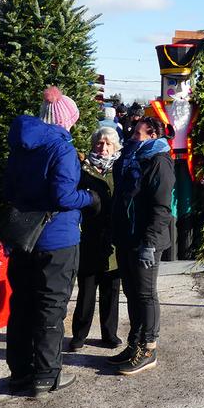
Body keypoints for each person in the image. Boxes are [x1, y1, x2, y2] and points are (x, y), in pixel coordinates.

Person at [4, 86, 99, 396]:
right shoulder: (61, 149)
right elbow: (63, 196)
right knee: (50, 308)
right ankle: (47, 375)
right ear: (67, 120)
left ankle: (20, 371)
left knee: (21, 305)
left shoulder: (19, 145)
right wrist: (90, 197)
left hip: (24, 238)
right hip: (56, 239)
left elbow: (9, 188)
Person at [108, 116, 174, 375]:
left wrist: (150, 242)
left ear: (153, 136)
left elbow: (161, 207)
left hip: (146, 239)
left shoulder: (158, 161)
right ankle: (134, 343)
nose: (133, 136)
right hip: (127, 236)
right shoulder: (130, 159)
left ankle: (148, 348)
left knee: (145, 294)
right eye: (133, 132)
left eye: (138, 133)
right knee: (132, 292)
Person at [69, 126, 122, 351]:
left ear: (115, 146)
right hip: (89, 237)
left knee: (111, 291)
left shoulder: (119, 169)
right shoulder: (83, 169)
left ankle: (109, 334)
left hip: (113, 240)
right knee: (87, 291)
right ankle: (79, 334)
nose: (103, 148)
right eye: (100, 143)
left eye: (108, 143)